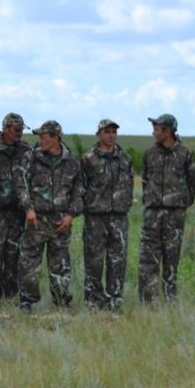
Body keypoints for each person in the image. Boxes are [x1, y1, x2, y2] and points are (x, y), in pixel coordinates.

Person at [16, 120, 83, 312]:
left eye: (44, 136)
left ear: (55, 138)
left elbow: (79, 191)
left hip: (61, 221)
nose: (40, 140)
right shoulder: (31, 158)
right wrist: (28, 209)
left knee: (60, 264)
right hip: (36, 219)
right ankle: (27, 301)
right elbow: (22, 186)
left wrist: (71, 215)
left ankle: (61, 302)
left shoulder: (72, 161)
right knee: (29, 262)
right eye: (39, 136)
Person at [138, 114, 195, 304]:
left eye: (157, 129)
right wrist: (152, 200)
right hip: (152, 214)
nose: (153, 132)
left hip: (175, 215)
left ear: (168, 131)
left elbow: (193, 183)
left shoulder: (185, 154)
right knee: (148, 259)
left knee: (171, 259)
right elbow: (145, 180)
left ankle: (170, 300)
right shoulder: (150, 154)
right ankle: (148, 303)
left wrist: (180, 204)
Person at [80, 119, 134, 310]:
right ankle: (93, 301)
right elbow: (81, 187)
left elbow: (130, 185)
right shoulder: (88, 159)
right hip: (95, 218)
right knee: (94, 261)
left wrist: (125, 204)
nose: (111, 135)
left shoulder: (125, 159)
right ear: (98, 134)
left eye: (113, 132)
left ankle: (114, 300)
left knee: (117, 261)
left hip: (119, 217)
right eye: (107, 131)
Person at [0, 112, 33, 304]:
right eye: (16, 130)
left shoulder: (26, 149)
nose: (20, 133)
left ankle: (11, 293)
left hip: (18, 211)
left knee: (14, 252)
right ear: (6, 129)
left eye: (22, 130)